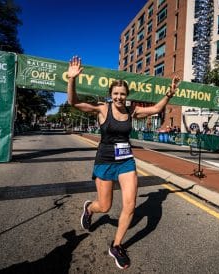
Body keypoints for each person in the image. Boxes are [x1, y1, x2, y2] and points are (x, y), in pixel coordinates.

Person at [66, 56, 180, 269]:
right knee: (105, 205)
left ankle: (116, 245)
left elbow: (155, 110)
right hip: (105, 161)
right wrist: (71, 80)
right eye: (116, 94)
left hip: (126, 161)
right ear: (110, 95)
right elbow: (73, 102)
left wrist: (169, 93)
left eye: (123, 94)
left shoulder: (132, 111)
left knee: (130, 205)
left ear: (127, 96)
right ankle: (90, 209)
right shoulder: (102, 109)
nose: (119, 97)